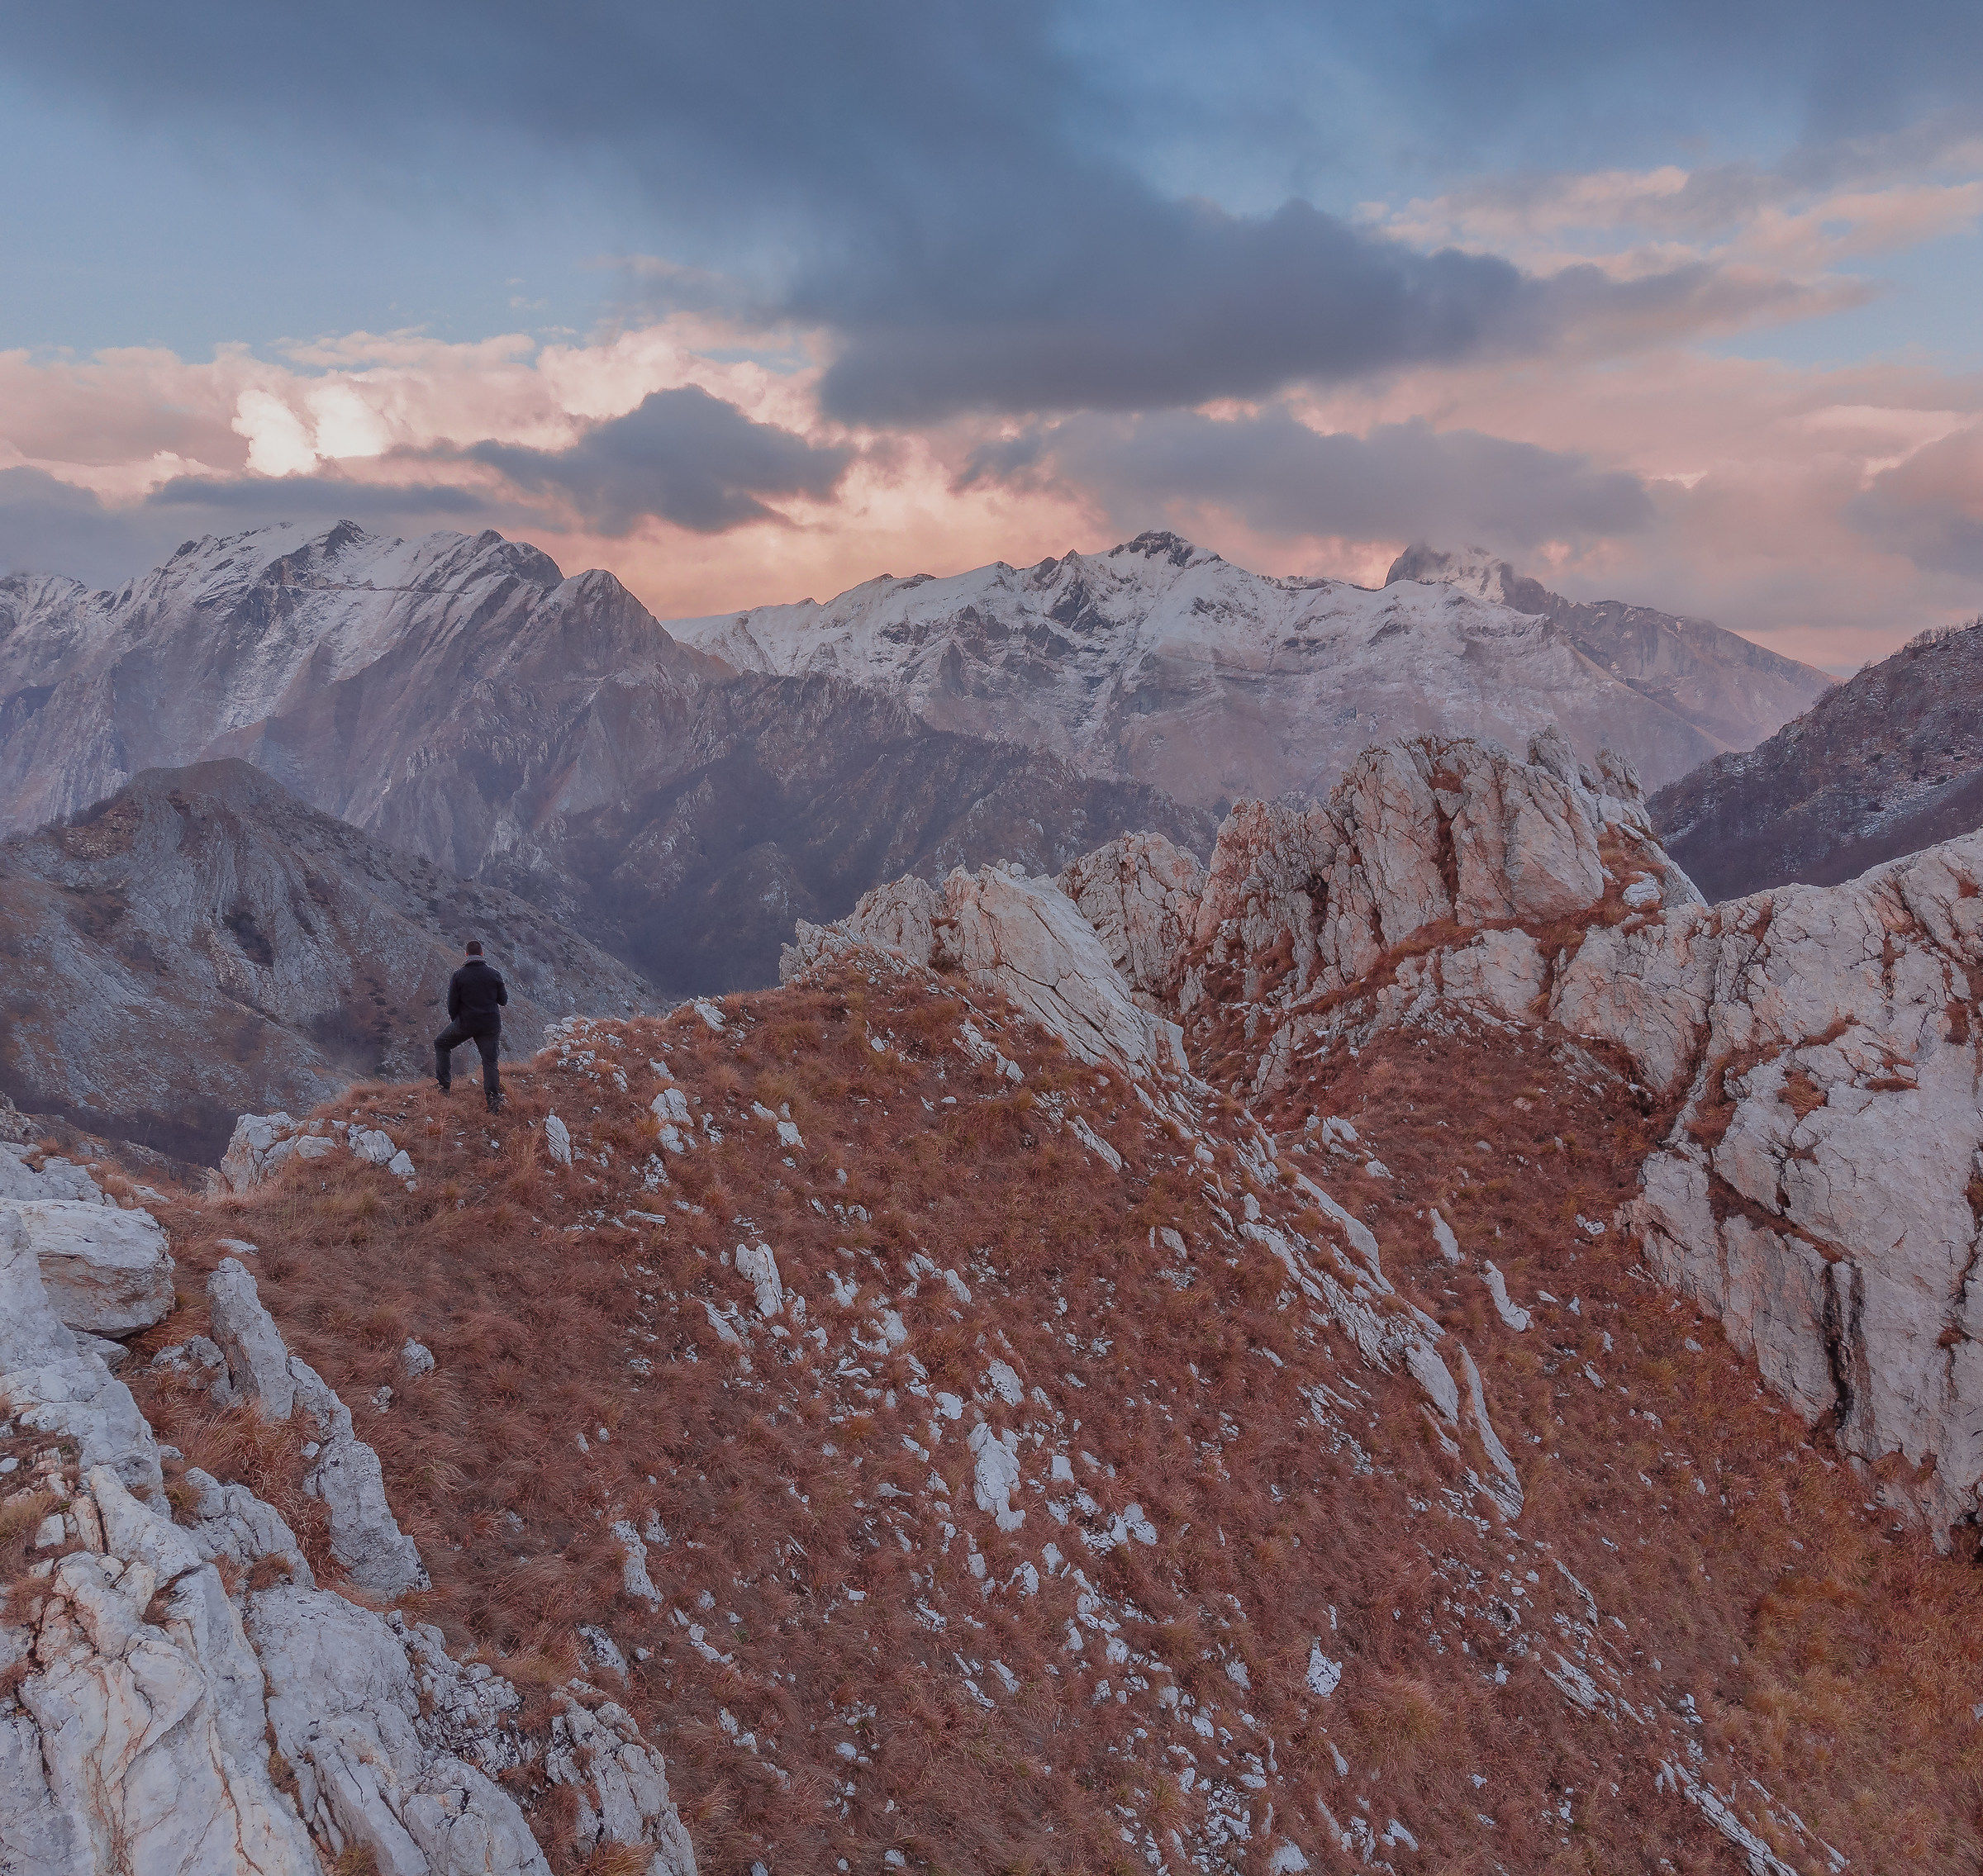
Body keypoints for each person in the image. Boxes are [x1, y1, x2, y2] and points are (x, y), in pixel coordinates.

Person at [435, 940, 508, 1112]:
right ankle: (493, 1102)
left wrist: (457, 1022)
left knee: (441, 1044)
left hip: (466, 1023)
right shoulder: (494, 974)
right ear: (482, 954)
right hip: (490, 1024)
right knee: (490, 1061)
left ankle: (444, 1086)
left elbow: (452, 1004)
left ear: (466, 955)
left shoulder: (459, 975)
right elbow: (503, 1001)